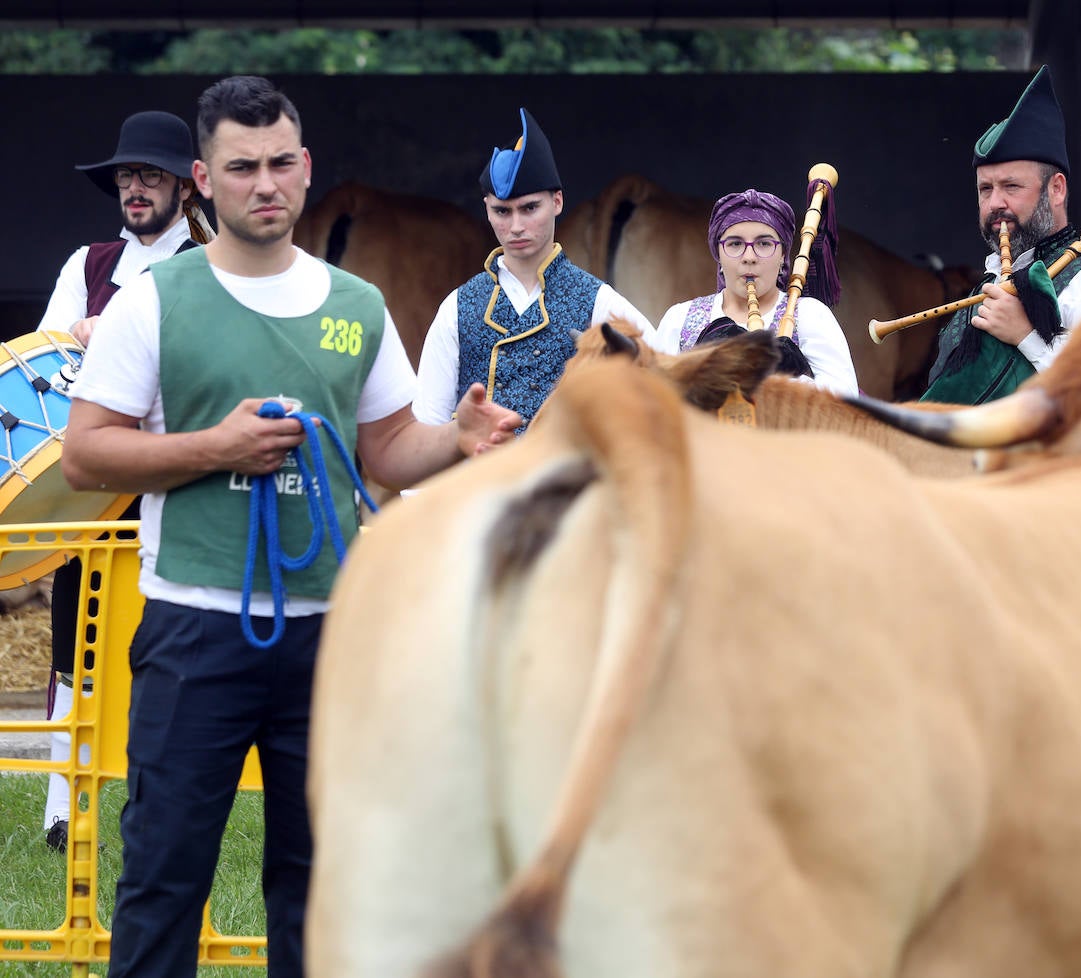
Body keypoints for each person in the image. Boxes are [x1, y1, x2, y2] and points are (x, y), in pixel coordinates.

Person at [61, 75, 521, 978]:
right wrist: (215, 447)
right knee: (163, 875)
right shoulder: (154, 301)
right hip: (192, 629)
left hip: (329, 633)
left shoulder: (357, 303)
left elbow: (386, 448)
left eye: (279, 163)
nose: (264, 183)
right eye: (241, 168)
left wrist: (459, 441)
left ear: (306, 169)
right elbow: (86, 454)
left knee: (319, 883)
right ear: (203, 179)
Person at [35, 109, 214, 854]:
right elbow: (45, 361)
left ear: (183, 186)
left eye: (150, 177)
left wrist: (104, 335)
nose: (134, 190)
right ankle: (59, 807)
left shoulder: (215, 266)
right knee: (74, 641)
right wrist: (74, 336)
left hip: (173, 484)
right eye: (125, 178)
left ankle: (156, 800)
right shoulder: (87, 263)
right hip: (91, 481)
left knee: (166, 645)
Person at [413, 107, 655, 430]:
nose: (515, 226)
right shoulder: (457, 309)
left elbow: (665, 380)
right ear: (487, 210)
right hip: (477, 478)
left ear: (557, 202)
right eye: (502, 211)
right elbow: (427, 425)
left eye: (529, 208)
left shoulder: (601, 303)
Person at [923, 66, 1081, 405]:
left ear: (1057, 189)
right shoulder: (987, 284)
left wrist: (1028, 337)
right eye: (985, 189)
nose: (995, 204)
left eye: (1011, 186)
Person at [649, 187, 860, 396]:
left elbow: (847, 403)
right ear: (718, 255)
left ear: (782, 256)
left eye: (764, 243)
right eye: (735, 244)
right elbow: (653, 403)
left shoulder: (810, 315)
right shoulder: (679, 318)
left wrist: (789, 379)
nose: (749, 256)